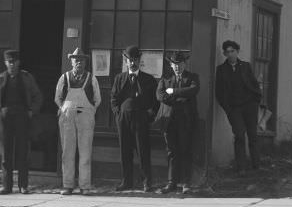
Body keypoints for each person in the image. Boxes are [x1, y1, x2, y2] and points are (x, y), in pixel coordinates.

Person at [0, 50, 43, 195]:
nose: (12, 64)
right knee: (6, 153)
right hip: (5, 117)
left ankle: (23, 185)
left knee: (23, 152)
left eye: (14, 62)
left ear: (18, 63)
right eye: (9, 62)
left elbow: (37, 96)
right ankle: (7, 186)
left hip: (22, 116)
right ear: (5, 63)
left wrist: (32, 111)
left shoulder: (27, 78)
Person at [54, 47, 101, 195]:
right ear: (71, 62)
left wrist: (90, 110)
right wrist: (63, 108)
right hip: (67, 117)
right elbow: (57, 97)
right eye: (76, 60)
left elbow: (97, 99)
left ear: (85, 62)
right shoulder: (65, 77)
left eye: (81, 60)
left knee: (85, 152)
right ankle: (67, 185)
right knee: (67, 152)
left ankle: (84, 186)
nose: (79, 62)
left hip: (85, 117)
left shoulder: (91, 78)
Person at [110, 45, 158, 192]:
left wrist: (149, 115)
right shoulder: (119, 78)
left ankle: (146, 182)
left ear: (139, 61)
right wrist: (118, 114)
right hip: (123, 119)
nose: (132, 63)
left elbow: (155, 101)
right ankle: (127, 181)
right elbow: (113, 99)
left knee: (143, 151)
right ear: (126, 61)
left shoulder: (148, 79)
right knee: (125, 151)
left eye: (135, 59)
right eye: (130, 60)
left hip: (140, 118)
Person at [214, 40, 262, 176]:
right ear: (224, 53)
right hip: (234, 109)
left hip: (249, 106)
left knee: (253, 135)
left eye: (232, 51)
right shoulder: (221, 70)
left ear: (237, 51)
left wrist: (256, 101)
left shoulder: (246, 66)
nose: (230, 54)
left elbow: (254, 84)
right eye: (227, 52)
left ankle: (256, 165)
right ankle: (241, 167)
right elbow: (219, 92)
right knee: (239, 135)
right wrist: (228, 109)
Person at [156, 51, 200, 195]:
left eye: (180, 64)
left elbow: (193, 90)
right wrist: (178, 99)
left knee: (186, 150)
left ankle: (186, 183)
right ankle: (171, 183)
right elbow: (160, 95)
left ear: (184, 64)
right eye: (174, 65)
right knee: (171, 152)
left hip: (186, 120)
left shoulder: (192, 77)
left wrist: (173, 91)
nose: (177, 67)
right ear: (171, 65)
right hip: (169, 120)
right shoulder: (165, 78)